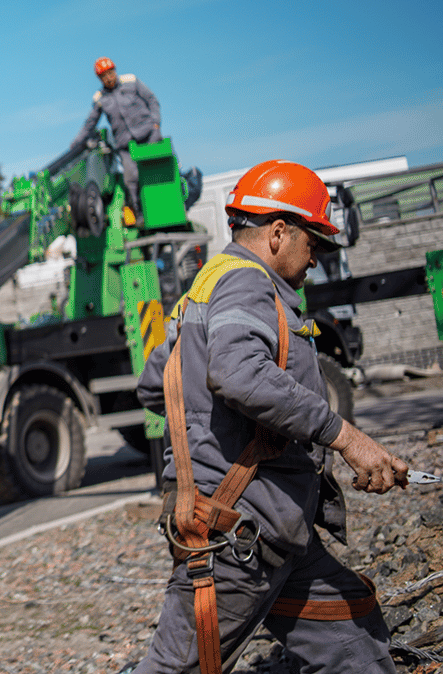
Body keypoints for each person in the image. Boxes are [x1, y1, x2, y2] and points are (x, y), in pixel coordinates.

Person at [129, 159, 408, 673]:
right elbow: (239, 375)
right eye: (314, 243)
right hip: (237, 538)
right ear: (279, 232)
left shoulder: (206, 286)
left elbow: (154, 385)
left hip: (278, 535)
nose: (316, 260)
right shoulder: (248, 284)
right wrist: (344, 436)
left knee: (355, 644)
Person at [69, 57, 162, 226]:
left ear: (115, 71)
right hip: (126, 145)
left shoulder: (131, 82)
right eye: (104, 76)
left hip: (148, 135)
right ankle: (140, 214)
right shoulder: (100, 99)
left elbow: (151, 100)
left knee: (157, 171)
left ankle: (165, 208)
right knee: (131, 179)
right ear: (100, 79)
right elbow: (90, 124)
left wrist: (155, 124)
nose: (108, 78)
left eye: (110, 73)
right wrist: (76, 143)